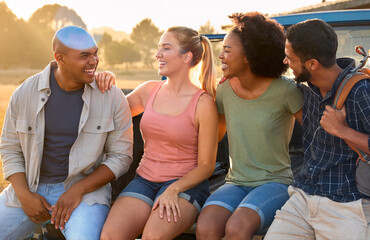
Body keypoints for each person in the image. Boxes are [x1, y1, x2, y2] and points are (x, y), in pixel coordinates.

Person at [264, 19, 370, 240]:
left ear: (312, 64)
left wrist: (343, 130)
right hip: (303, 197)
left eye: (289, 57)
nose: (285, 61)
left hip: (348, 206)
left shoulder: (361, 91)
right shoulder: (310, 88)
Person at [0, 26, 133, 240]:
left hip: (86, 193)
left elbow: (121, 156)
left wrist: (77, 190)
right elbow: (9, 148)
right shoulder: (24, 93)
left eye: (95, 53)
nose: (94, 61)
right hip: (29, 189)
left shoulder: (111, 97)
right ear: (59, 58)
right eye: (84, 56)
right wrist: (24, 195)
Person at [99, 26, 219, 240]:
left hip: (186, 185)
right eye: (158, 48)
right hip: (145, 180)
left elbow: (207, 166)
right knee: (110, 236)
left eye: (166, 48)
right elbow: (112, 112)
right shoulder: (148, 90)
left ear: (186, 57)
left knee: (153, 237)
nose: (158, 55)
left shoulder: (203, 103)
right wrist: (108, 80)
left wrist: (174, 189)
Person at [196, 12, 304, 240]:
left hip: (275, 183)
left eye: (227, 50)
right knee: (205, 228)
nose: (221, 55)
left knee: (236, 228)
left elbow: (317, 133)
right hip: (236, 182)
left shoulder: (286, 90)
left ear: (249, 55)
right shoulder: (224, 90)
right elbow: (215, 136)